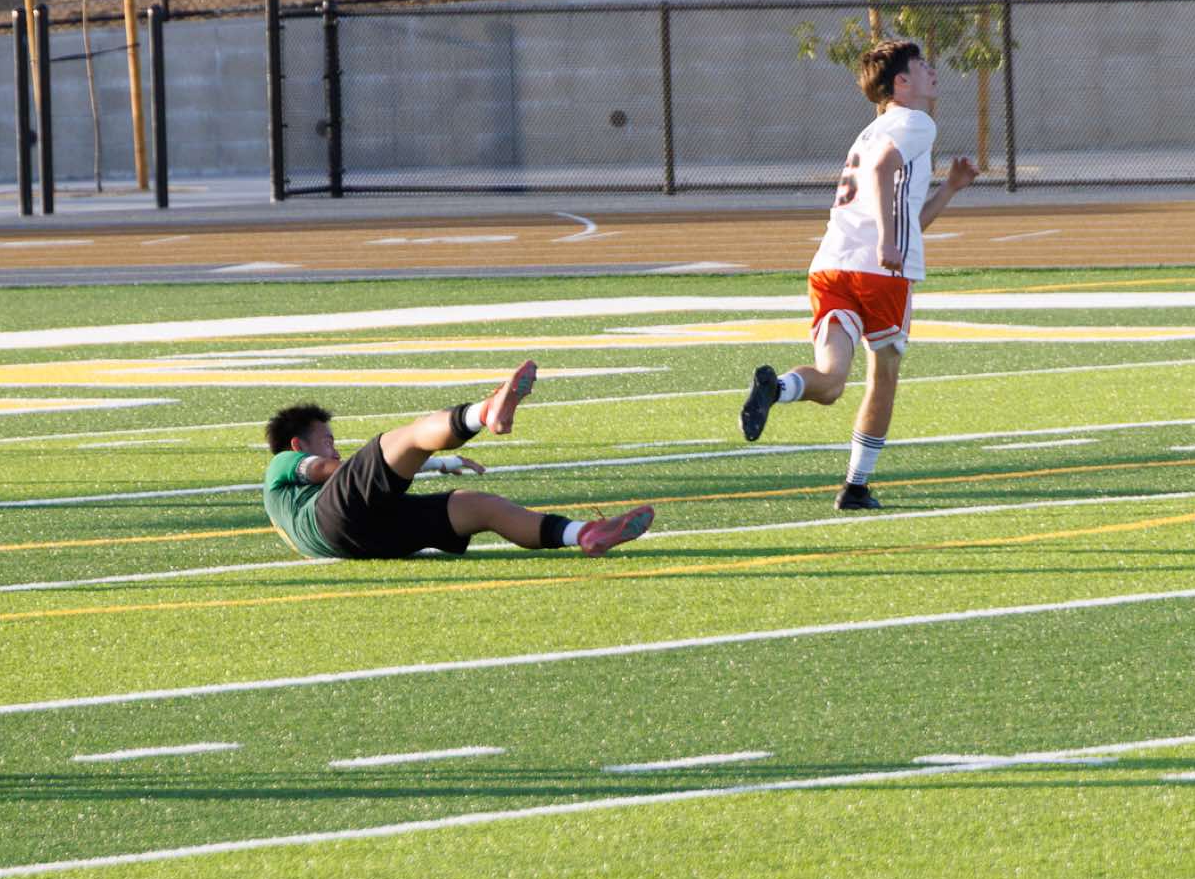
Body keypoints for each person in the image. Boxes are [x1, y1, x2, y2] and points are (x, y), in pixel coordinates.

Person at [737, 38, 979, 510]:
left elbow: (905, 214)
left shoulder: (871, 131)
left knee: (830, 382)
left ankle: (777, 388)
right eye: (922, 65)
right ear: (901, 82)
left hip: (830, 265)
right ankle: (855, 487)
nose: (933, 70)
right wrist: (887, 241)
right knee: (884, 375)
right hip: (878, 273)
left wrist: (949, 188)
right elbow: (884, 170)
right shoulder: (916, 122)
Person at [263, 361, 654, 561]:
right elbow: (326, 470)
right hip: (331, 520)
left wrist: (439, 466)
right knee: (406, 438)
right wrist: (429, 461)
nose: (334, 448)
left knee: (478, 507)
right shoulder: (283, 461)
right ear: (298, 444)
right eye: (327, 440)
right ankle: (484, 412)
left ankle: (584, 534)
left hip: (362, 543)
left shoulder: (284, 509)